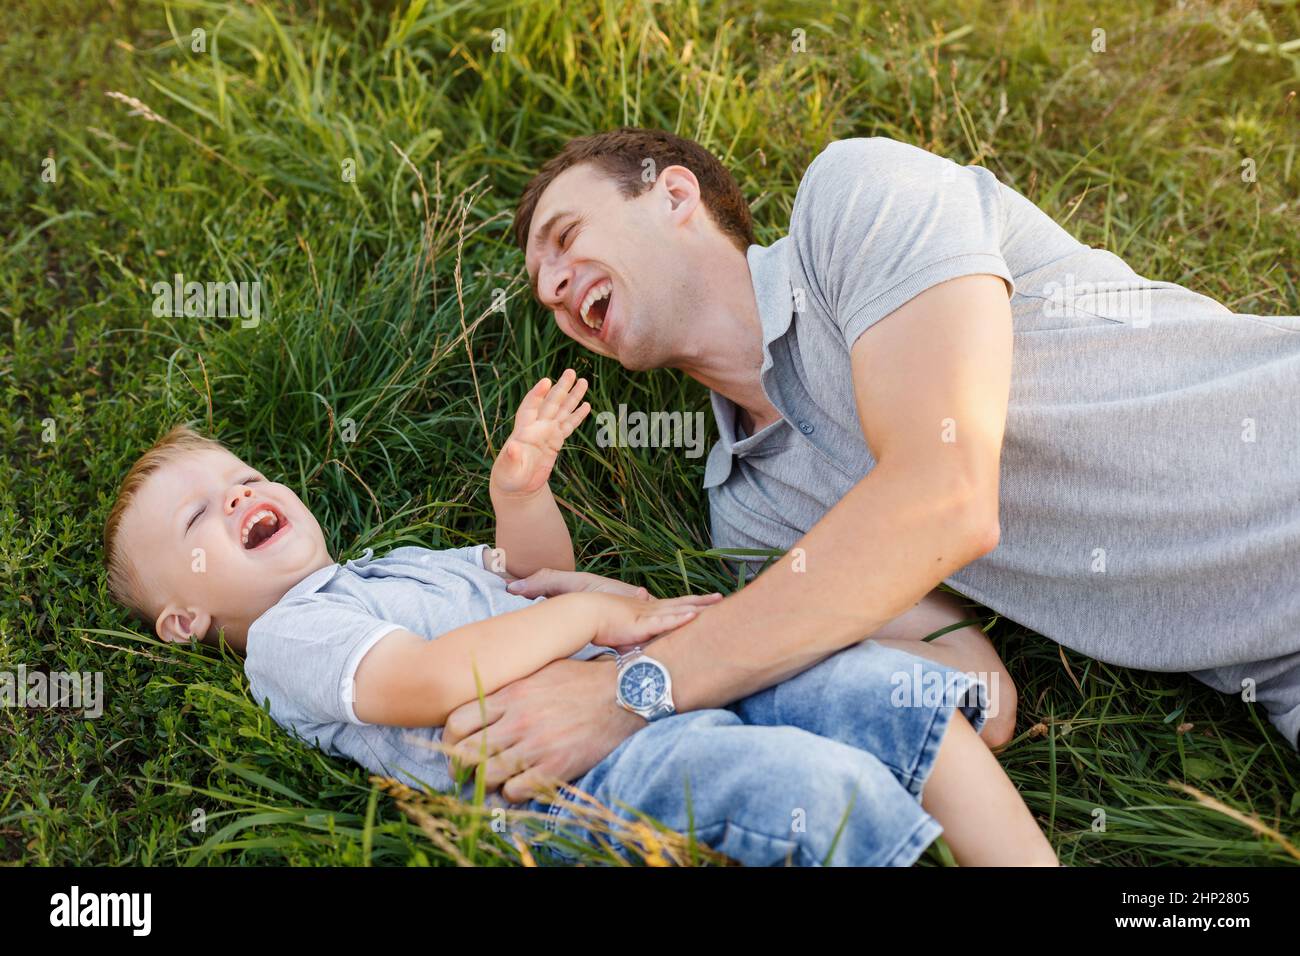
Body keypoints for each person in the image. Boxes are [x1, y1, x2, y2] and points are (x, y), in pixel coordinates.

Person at [455, 127, 1300, 801]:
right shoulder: (751, 510)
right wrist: (626, 621)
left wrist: (630, 693)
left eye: (567, 240)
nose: (559, 288)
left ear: (673, 193)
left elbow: (944, 497)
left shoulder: (855, 202)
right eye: (543, 290)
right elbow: (976, 690)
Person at [101, 372, 1055, 865]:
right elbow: (428, 684)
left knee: (860, 683)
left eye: (243, 478)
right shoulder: (288, 639)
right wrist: (602, 609)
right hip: (575, 780)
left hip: (647, 692)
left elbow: (534, 580)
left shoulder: (391, 569)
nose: (238, 498)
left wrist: (520, 492)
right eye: (198, 517)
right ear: (185, 620)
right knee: (793, 780)